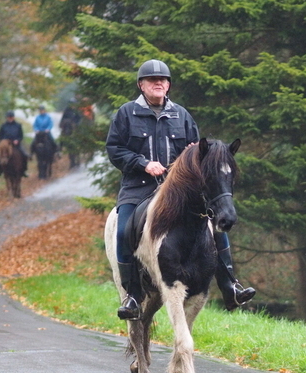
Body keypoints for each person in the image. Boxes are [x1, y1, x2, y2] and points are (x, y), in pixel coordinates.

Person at [106, 59, 256, 320]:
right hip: (138, 188)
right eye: (153, 80)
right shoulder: (126, 113)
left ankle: (230, 285)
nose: (159, 84)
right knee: (122, 232)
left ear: (169, 85)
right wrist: (142, 164)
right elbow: (115, 149)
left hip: (176, 192)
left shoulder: (182, 115)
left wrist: (192, 156)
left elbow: (198, 153)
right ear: (141, 85)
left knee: (215, 227)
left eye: (163, 80)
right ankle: (132, 295)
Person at [0, 110, 28, 177]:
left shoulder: (18, 125)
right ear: (7, 117)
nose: (10, 118)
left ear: (13, 117)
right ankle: (0, 170)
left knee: (25, 154)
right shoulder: (3, 126)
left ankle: (24, 170)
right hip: (6, 145)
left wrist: (17, 140)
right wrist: (3, 141)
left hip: (16, 145)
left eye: (11, 117)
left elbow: (21, 136)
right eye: (9, 117)